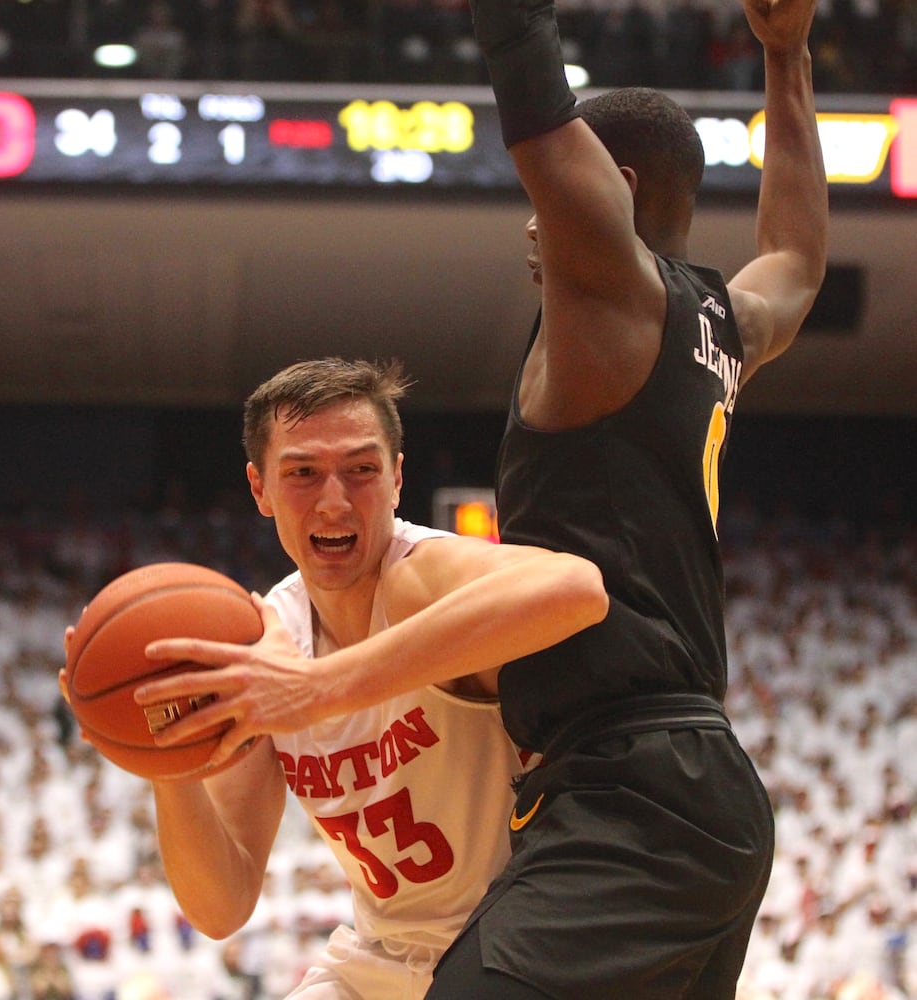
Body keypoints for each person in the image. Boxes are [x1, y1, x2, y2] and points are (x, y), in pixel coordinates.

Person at [422, 0, 829, 997]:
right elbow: (799, 257)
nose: (533, 220)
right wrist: (786, 56)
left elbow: (528, 88)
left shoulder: (617, 297)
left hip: (631, 793)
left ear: (616, 187)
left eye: (551, 199)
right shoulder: (727, 322)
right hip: (689, 787)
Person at [64, 357, 608, 999]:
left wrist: (321, 687)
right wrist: (167, 761)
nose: (334, 499)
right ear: (259, 489)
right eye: (302, 473)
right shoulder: (262, 641)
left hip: (514, 945)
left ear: (398, 478)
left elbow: (578, 588)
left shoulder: (420, 577)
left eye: (361, 470)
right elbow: (222, 906)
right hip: (382, 954)